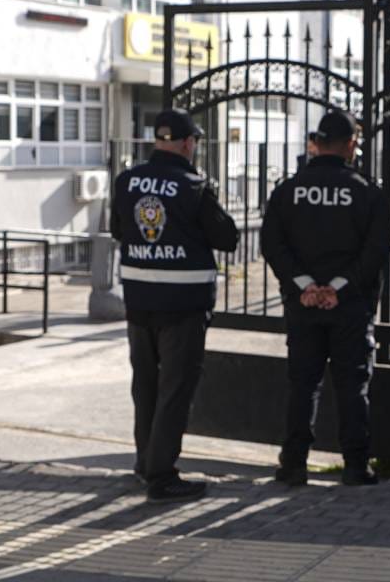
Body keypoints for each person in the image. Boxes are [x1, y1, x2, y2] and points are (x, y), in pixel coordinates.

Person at [110, 109, 239, 504]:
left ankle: (145, 462)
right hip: (183, 306)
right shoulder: (193, 186)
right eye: (195, 141)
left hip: (139, 304)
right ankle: (162, 476)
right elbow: (227, 237)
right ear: (187, 143)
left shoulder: (127, 181)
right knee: (175, 390)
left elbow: (118, 230)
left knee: (145, 386)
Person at [261, 111, 390, 487]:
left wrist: (305, 286)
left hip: (302, 304)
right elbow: (376, 250)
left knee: (303, 385)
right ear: (351, 144)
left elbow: (272, 243)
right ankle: (355, 465)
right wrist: (338, 287)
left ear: (316, 143)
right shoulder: (367, 192)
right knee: (352, 386)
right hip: (349, 305)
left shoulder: (288, 190)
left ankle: (293, 464)